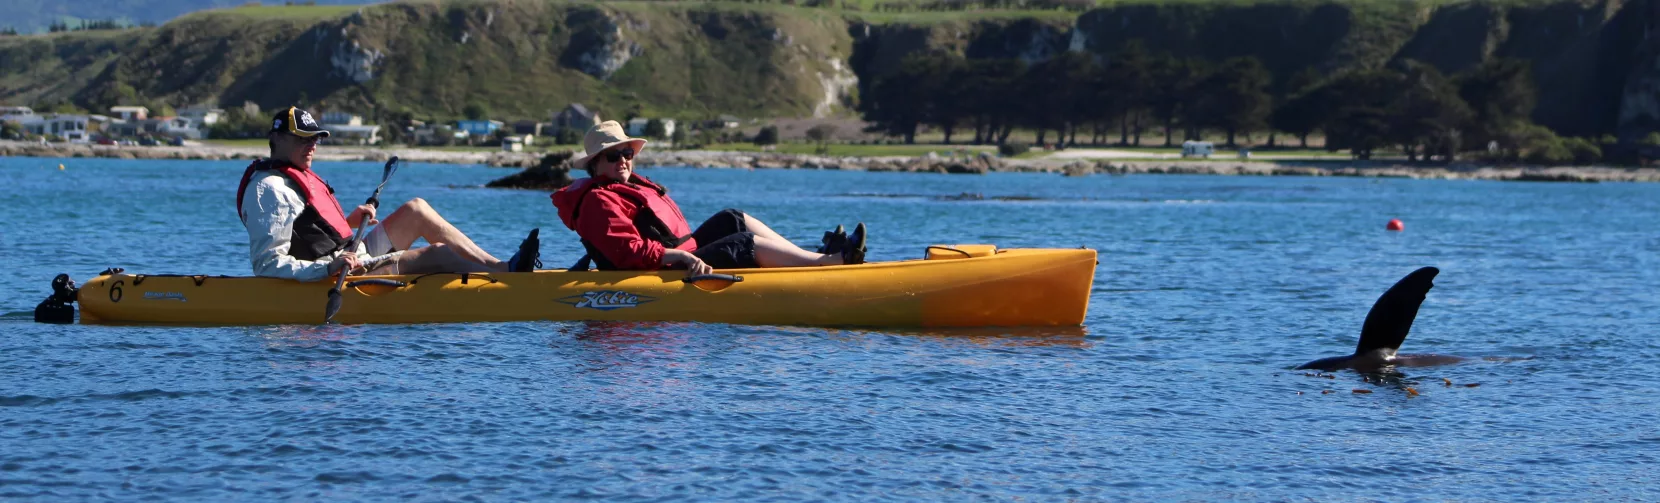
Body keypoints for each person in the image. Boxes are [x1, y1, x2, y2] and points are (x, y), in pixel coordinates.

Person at [237, 106, 539, 282]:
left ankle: (502, 269)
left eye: (314, 138)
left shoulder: (295, 177)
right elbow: (267, 265)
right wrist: (329, 266)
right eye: (302, 138)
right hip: (342, 275)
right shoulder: (269, 189)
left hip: (351, 256)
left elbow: (309, 233)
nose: (312, 145)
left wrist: (350, 221)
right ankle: (505, 287)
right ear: (276, 140)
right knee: (438, 253)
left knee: (417, 209)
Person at [551, 121, 865, 276]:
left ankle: (813, 258)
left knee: (732, 218)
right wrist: (683, 258)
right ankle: (830, 264)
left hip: (675, 256)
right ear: (595, 165)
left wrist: (683, 253)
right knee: (743, 242)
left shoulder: (629, 187)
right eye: (612, 156)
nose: (623, 160)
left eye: (627, 153)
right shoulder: (597, 201)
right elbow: (628, 251)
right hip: (659, 271)